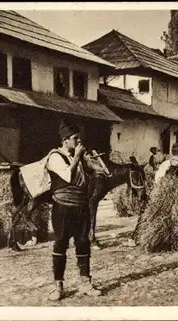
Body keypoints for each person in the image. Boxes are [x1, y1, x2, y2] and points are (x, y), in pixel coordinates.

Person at [46, 119, 102, 301]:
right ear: (65, 140)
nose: (79, 142)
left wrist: (92, 166)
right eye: (75, 139)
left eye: (79, 139)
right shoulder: (54, 156)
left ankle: (85, 283)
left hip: (81, 206)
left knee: (83, 242)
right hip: (63, 207)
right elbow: (68, 176)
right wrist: (78, 157)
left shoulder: (77, 157)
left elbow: (90, 174)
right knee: (61, 243)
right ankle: (58, 286)